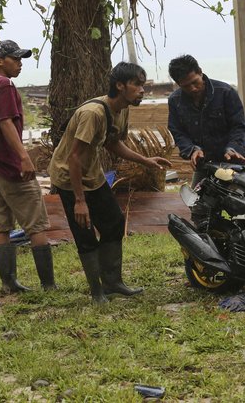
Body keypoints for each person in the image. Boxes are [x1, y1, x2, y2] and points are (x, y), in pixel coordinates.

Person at [48, 62, 171, 304]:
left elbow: (113, 143)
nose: (142, 90)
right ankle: (97, 292)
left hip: (92, 174)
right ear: (120, 85)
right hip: (68, 177)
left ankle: (113, 283)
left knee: (114, 223)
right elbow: (73, 158)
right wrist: (80, 201)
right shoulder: (92, 113)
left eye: (143, 85)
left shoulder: (122, 108)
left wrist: (145, 160)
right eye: (137, 85)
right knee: (84, 232)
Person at [0, 39, 56, 294]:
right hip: (10, 166)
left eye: (21, 59)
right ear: (0, 61)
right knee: (36, 224)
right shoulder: (6, 86)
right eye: (15, 59)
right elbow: (6, 123)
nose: (20, 64)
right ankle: (48, 285)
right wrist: (23, 156)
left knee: (2, 225)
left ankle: (8, 284)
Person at [167, 54, 245, 186]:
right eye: (186, 86)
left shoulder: (225, 92)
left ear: (200, 72)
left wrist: (233, 148)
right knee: (197, 204)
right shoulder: (175, 101)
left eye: (195, 82)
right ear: (178, 84)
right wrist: (192, 150)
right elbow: (177, 131)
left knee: (244, 203)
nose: (193, 88)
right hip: (204, 165)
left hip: (233, 161)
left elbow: (238, 126)